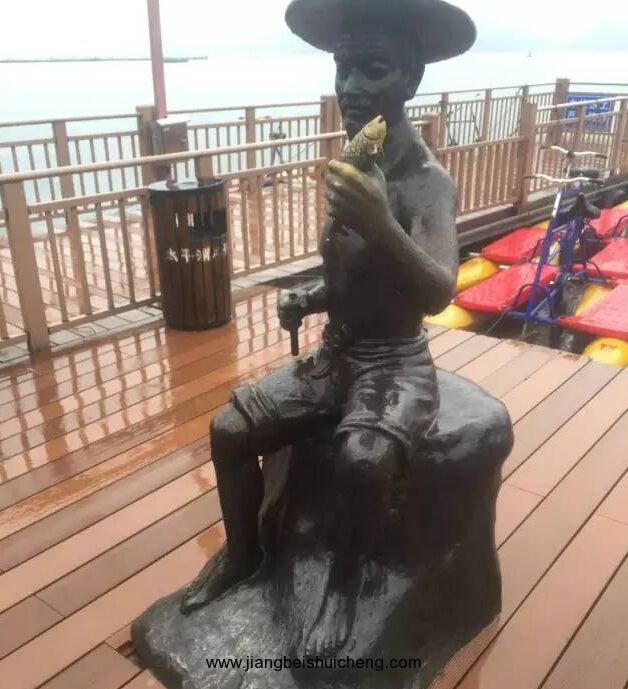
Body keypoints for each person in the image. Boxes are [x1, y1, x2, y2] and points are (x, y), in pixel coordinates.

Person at [180, 0, 476, 658]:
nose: (352, 87)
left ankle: (344, 584)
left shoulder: (426, 181)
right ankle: (243, 553)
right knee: (228, 430)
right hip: (335, 354)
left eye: (374, 69)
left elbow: (438, 291)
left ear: (411, 77)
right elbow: (354, 274)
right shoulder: (356, 162)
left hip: (395, 362)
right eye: (344, 69)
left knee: (363, 461)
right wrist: (311, 297)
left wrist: (380, 222)